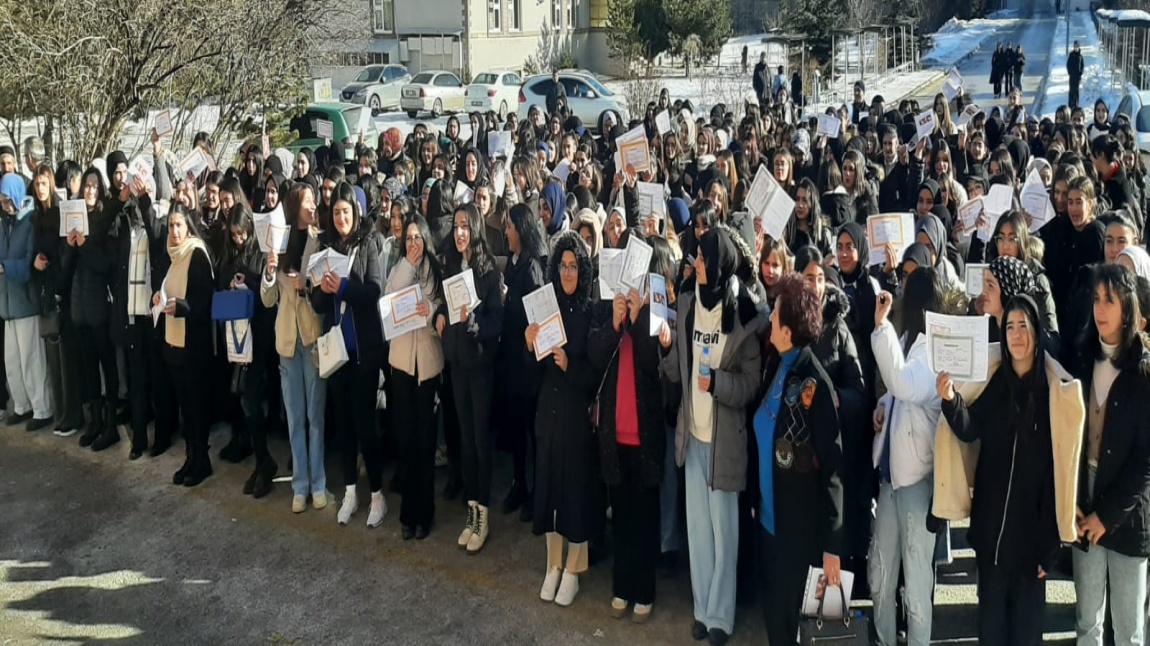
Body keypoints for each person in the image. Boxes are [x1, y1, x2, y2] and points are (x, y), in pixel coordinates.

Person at [659, 228, 763, 645]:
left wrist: (717, 383)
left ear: (718, 264)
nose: (694, 264)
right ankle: (702, 609)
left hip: (725, 445)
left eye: (701, 258)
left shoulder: (741, 314)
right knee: (699, 532)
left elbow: (750, 384)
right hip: (693, 438)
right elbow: (672, 372)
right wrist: (667, 346)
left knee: (725, 534)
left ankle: (721, 616)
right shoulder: (686, 305)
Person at [751, 272, 845, 646]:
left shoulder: (816, 383)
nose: (769, 318)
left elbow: (834, 469)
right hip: (768, 527)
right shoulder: (776, 364)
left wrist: (833, 548)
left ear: (788, 330)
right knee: (775, 622)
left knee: (799, 630)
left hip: (799, 535)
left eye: (775, 314)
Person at [591, 237, 670, 622]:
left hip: (644, 435)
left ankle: (644, 589)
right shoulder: (608, 306)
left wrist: (638, 321)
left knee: (643, 518)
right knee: (620, 516)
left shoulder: (653, 308)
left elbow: (653, 363)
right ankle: (621, 586)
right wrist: (614, 320)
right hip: (613, 434)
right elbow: (594, 355)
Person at [1073, 264, 1150, 646]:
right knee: (1087, 622)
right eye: (1096, 299)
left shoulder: (1144, 369)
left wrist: (1107, 515)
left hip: (1128, 512)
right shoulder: (1083, 356)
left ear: (1128, 308)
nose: (1100, 309)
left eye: (1110, 300)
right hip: (1085, 497)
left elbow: (1145, 462)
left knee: (1129, 631)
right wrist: (1071, 501)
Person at [869, 269, 946, 646]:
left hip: (917, 479)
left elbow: (904, 382)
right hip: (891, 478)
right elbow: (897, 391)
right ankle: (883, 640)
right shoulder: (908, 338)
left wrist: (880, 327)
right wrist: (883, 405)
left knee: (916, 583)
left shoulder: (935, 349)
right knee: (880, 573)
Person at [311, 181, 387, 529]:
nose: (341, 217)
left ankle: (377, 494)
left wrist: (342, 287)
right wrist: (325, 290)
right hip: (335, 351)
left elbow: (373, 290)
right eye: (336, 212)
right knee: (343, 425)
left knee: (365, 425)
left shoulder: (369, 242)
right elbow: (316, 303)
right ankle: (351, 492)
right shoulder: (326, 246)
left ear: (356, 212)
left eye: (346, 211)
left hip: (364, 351)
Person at [527, 232, 597, 607]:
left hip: (575, 413)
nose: (567, 272)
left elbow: (596, 372)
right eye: (563, 266)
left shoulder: (590, 311)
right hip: (548, 410)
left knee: (575, 491)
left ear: (582, 270)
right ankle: (553, 564)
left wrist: (570, 366)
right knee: (550, 486)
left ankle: (574, 567)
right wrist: (529, 342)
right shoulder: (545, 310)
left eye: (574, 266)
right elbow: (531, 371)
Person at [437, 202, 505, 555]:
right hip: (457, 364)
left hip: (479, 366)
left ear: (475, 229)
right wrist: (438, 315)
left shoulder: (489, 271)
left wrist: (477, 328)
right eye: (456, 225)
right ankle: (471, 509)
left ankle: (483, 513)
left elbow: (498, 321)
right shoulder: (448, 264)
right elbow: (443, 306)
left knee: (480, 439)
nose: (460, 231)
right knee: (464, 438)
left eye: (466, 225)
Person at [262, 183, 328, 514]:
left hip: (312, 337)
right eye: (307, 202)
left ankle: (319, 483)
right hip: (288, 340)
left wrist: (308, 284)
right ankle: (299, 484)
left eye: (314, 201)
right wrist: (271, 273)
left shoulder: (319, 239)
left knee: (316, 416)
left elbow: (323, 288)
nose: (312, 206)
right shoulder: (280, 240)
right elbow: (267, 298)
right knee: (294, 417)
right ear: (294, 206)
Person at [387, 213, 444, 540]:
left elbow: (438, 313)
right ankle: (408, 514)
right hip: (402, 366)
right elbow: (391, 293)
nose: (412, 243)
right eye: (407, 238)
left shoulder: (435, 273)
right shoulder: (400, 269)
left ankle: (426, 513)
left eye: (417, 238)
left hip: (427, 366)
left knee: (425, 444)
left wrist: (429, 313)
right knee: (406, 442)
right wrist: (407, 265)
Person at [153, 206, 214, 487]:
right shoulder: (172, 255)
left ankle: (202, 460)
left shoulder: (196, 253)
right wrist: (159, 297)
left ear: (188, 227)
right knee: (185, 407)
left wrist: (181, 307)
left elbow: (204, 301)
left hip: (193, 345)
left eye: (179, 225)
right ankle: (190, 457)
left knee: (197, 406)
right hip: (173, 343)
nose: (174, 232)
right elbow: (169, 288)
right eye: (171, 226)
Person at [495, 204, 548, 521]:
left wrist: (508, 299)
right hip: (512, 362)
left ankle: (536, 493)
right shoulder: (514, 263)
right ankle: (519, 485)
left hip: (528, 366)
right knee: (516, 429)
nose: (506, 233)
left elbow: (535, 314)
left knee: (531, 433)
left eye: (510, 228)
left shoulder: (532, 267)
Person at [0, 174, 52, 431]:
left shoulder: (29, 223)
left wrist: (4, 267)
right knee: (12, 359)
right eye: (2, 200)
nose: (5, 204)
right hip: (7, 303)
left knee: (32, 358)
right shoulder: (3, 225)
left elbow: (29, 264)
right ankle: (21, 405)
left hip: (26, 301)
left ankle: (42, 407)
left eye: (8, 199)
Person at [1068, 41, 1085, 109]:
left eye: (1077, 46)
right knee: (1071, 90)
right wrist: (1070, 73)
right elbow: (1068, 65)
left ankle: (1076, 104)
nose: (1076, 48)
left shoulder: (1080, 56)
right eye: (1075, 46)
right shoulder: (1071, 55)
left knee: (1076, 90)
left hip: (1077, 77)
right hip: (1072, 76)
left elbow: (1082, 66)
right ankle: (1070, 104)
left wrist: (1080, 73)